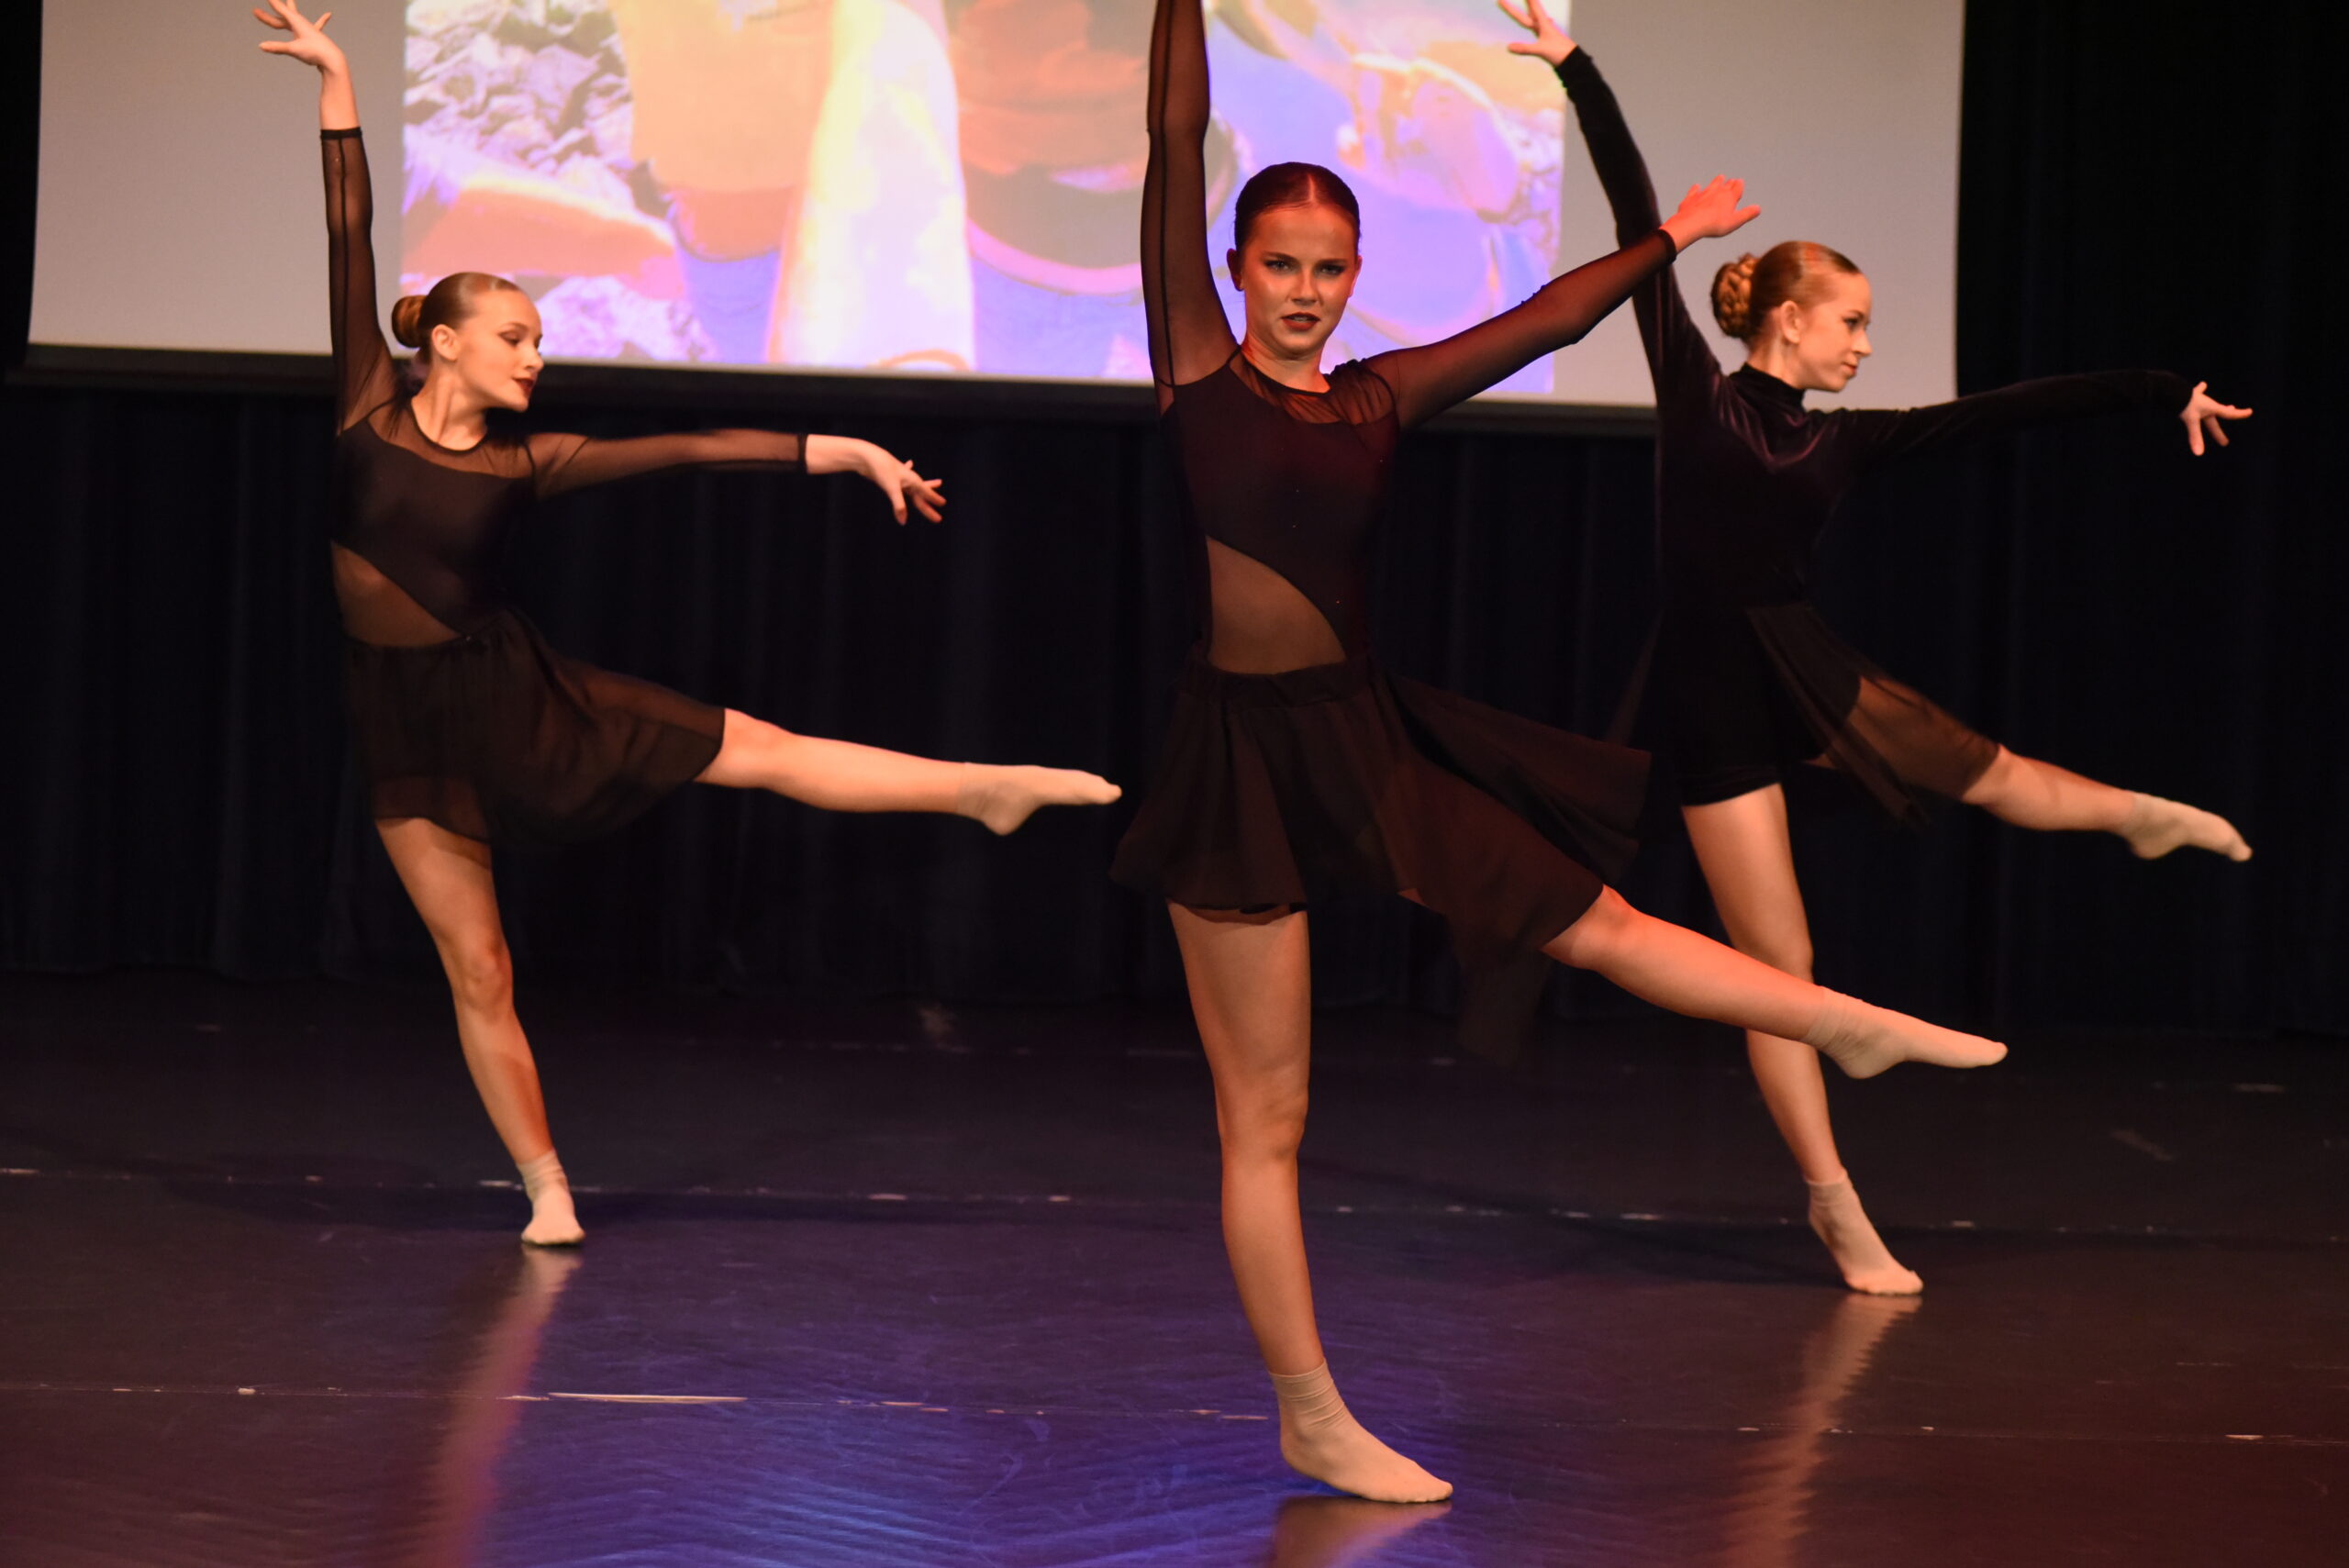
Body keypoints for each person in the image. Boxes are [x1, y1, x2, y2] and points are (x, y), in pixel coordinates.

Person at [1116, 0, 2007, 1504]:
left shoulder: (1377, 399)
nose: (1306, 293)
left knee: (1601, 922)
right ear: (1235, 267)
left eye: (1329, 270)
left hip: (1363, 738)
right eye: (1281, 265)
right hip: (1236, 765)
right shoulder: (1196, 365)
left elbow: (1544, 322)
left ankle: (1838, 1019)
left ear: (1354, 278)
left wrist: (1670, 239)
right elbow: (1172, 131)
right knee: (1266, 1117)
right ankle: (1311, 1414)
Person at [255, 0, 1117, 1246]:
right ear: (441, 343)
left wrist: (839, 448)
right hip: (405, 733)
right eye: (513, 337)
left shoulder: (527, 464)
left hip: (520, 705)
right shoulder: (364, 413)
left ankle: (983, 787)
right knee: (479, 968)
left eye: (540, 340)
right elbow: (350, 227)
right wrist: (337, 80)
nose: (535, 356)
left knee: (759, 749)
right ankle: (547, 1187)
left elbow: (695, 447)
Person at [1504, 0, 2251, 1296]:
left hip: (1805, 669)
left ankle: (2137, 816)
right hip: (1711, 696)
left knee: (1996, 772)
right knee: (1780, 974)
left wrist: (2155, 392)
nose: (1863, 341)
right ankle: (1837, 1207)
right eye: (1849, 320)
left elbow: (2008, 411)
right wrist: (1579, 68)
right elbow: (1635, 220)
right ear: (1788, 320)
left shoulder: (1848, 439)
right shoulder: (1693, 388)